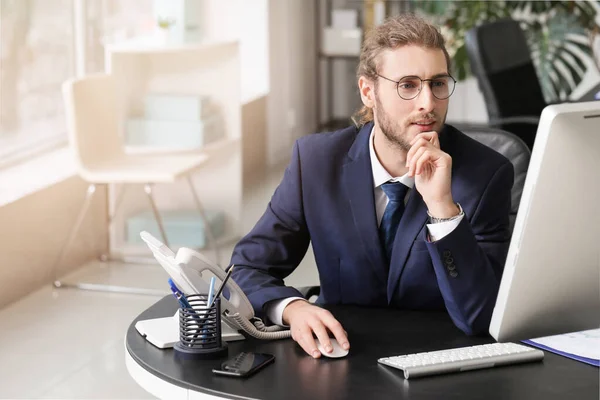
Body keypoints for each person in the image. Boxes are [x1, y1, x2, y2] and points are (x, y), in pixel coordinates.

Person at [229, 14, 514, 358]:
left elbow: (480, 316)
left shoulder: (486, 173)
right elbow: (247, 268)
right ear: (368, 91)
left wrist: (442, 209)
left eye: (438, 84)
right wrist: (292, 308)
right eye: (408, 85)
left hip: (439, 360)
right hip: (339, 355)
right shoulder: (316, 162)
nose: (428, 103)